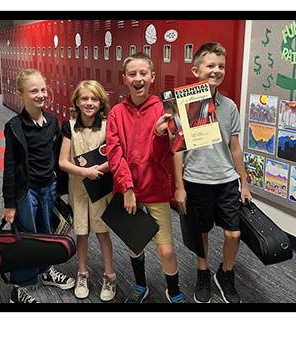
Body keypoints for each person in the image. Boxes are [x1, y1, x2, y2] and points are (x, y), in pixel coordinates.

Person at [105, 53, 185, 303]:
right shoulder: (117, 112)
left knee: (167, 249)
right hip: (128, 191)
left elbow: (163, 157)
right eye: (132, 74)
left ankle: (173, 290)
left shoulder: (164, 109)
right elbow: (114, 152)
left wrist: (161, 134)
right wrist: (127, 188)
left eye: (143, 73)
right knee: (135, 243)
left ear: (152, 76)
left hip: (156, 189)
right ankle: (140, 286)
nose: (138, 78)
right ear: (124, 79)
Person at [173, 42, 250, 304]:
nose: (216, 70)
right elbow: (177, 149)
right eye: (210, 66)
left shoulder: (229, 107)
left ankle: (225, 274)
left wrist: (245, 184)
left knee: (234, 234)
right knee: (201, 232)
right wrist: (180, 186)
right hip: (197, 179)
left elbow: (235, 147)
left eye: (221, 66)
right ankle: (203, 272)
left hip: (226, 180)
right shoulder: (185, 105)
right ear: (196, 71)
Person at [1, 68, 75, 303]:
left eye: (43, 89)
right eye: (34, 91)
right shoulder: (14, 126)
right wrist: (9, 204)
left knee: (46, 234)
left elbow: (56, 157)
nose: (41, 94)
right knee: (26, 238)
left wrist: (61, 189)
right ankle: (19, 289)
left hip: (48, 189)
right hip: (27, 191)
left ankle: (45, 270)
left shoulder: (52, 122)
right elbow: (10, 167)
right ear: (21, 94)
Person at [57, 80, 117, 301]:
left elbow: (115, 158)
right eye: (84, 98)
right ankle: (82, 274)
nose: (89, 103)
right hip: (78, 189)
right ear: (77, 102)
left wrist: (95, 171)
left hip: (100, 188)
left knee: (102, 232)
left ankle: (110, 275)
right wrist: (84, 173)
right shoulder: (68, 127)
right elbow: (63, 161)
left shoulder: (109, 125)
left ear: (101, 103)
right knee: (81, 232)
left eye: (94, 99)